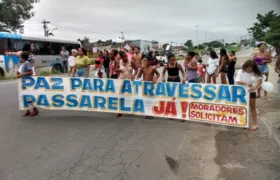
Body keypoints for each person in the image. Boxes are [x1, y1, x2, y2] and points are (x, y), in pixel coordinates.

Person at [235, 60, 263, 130]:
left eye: (251, 69)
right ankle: (244, 123)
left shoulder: (254, 72)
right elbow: (238, 81)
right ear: (245, 66)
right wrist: (246, 83)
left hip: (252, 92)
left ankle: (254, 124)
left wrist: (255, 87)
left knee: (253, 108)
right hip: (242, 92)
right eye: (248, 68)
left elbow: (260, 80)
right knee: (243, 108)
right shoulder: (241, 71)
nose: (249, 70)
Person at [115, 51, 138, 117]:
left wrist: (133, 75)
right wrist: (118, 70)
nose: (126, 58)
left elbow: (136, 69)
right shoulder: (119, 62)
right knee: (120, 96)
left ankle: (131, 109)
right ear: (121, 58)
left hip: (129, 81)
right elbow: (115, 69)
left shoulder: (131, 62)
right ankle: (119, 111)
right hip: (121, 81)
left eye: (126, 56)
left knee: (129, 95)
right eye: (124, 57)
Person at [17, 52, 39, 116]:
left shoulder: (26, 63)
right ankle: (27, 110)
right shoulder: (22, 63)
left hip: (27, 82)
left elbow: (31, 72)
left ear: (22, 57)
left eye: (20, 56)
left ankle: (35, 109)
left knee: (28, 96)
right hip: (23, 82)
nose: (19, 57)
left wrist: (21, 74)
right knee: (23, 96)